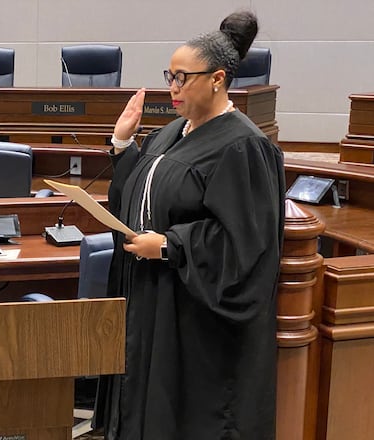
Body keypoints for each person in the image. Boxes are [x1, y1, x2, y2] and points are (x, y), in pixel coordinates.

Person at [94, 10, 285, 440]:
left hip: (194, 318)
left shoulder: (243, 146)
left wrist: (169, 246)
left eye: (183, 78)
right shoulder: (171, 133)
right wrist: (123, 144)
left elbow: (247, 246)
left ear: (217, 79)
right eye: (170, 76)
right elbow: (137, 199)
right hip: (154, 299)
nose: (172, 88)